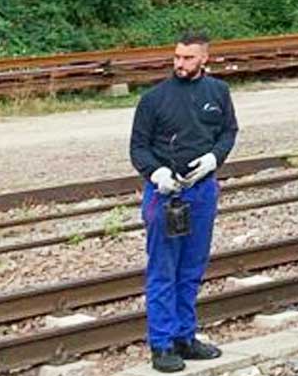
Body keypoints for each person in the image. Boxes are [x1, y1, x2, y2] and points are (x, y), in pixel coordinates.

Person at [128, 31, 237, 373]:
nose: (180, 63)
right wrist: (156, 172)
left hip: (202, 190)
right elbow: (138, 147)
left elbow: (229, 131)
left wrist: (214, 158)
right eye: (177, 57)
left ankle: (184, 337)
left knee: (192, 267)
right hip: (165, 193)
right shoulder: (154, 99)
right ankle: (161, 344)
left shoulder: (218, 92)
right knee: (164, 268)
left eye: (188, 58)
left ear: (204, 58)